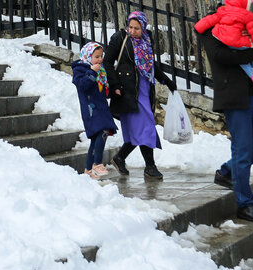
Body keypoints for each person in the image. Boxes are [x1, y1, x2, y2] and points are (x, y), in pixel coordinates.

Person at [196, 0, 253, 223]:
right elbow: (220, 55)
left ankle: (228, 171)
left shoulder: (245, 19)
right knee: (242, 149)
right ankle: (244, 203)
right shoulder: (213, 23)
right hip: (234, 94)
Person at [105, 11, 177, 180]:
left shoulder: (146, 41)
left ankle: (120, 157)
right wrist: (115, 84)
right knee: (146, 127)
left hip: (145, 89)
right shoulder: (120, 38)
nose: (133, 31)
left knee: (141, 128)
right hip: (128, 91)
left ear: (143, 27)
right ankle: (150, 167)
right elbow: (107, 62)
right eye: (130, 26)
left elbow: (151, 65)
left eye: (137, 28)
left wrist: (166, 80)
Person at [194, 0, 253, 90]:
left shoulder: (245, 19)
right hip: (231, 94)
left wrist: (252, 41)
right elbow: (220, 55)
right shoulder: (213, 21)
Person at [72, 41, 118, 179]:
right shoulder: (80, 69)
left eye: (101, 56)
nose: (100, 59)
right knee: (102, 131)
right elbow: (82, 85)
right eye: (96, 56)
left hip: (101, 107)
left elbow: (103, 89)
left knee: (96, 137)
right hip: (91, 109)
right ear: (87, 56)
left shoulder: (101, 70)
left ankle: (88, 169)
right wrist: (92, 72)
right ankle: (97, 164)